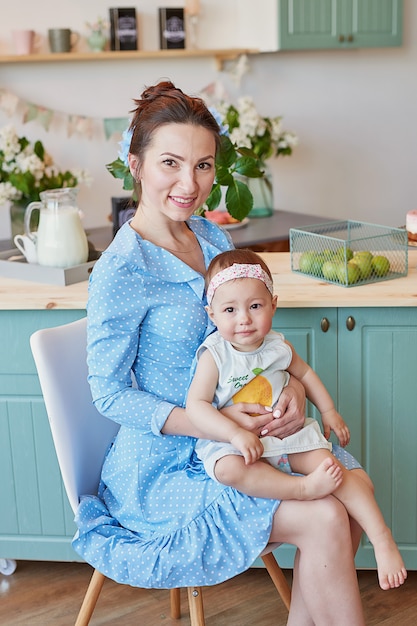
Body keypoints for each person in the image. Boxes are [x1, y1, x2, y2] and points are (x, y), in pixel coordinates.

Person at [73, 80, 372, 625]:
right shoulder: (122, 269)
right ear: (136, 165)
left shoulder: (211, 238)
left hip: (247, 436)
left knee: (349, 501)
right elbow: (110, 395)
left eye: (204, 166)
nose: (190, 184)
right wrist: (216, 426)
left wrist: (294, 391)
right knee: (326, 516)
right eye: (170, 163)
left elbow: (253, 343)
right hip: (165, 465)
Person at [186, 248, 407, 591]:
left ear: (273, 305)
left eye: (255, 306)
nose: (244, 318)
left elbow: (305, 373)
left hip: (288, 436)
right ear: (211, 314)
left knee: (336, 471)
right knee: (229, 470)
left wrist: (329, 410)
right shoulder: (214, 356)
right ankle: (300, 489)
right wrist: (233, 433)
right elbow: (196, 406)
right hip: (238, 442)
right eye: (230, 310)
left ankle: (382, 538)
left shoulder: (277, 346)